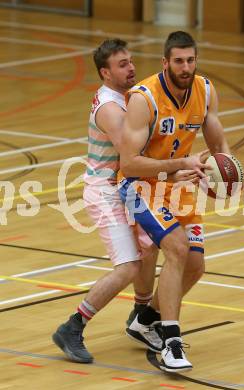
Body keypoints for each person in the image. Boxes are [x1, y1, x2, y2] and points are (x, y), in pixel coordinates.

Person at [119, 31, 231, 372]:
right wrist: (181, 163)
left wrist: (229, 170)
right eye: (179, 61)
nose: (186, 67)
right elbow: (128, 164)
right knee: (177, 248)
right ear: (165, 62)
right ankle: (171, 342)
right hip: (140, 186)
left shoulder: (205, 90)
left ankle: (145, 319)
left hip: (178, 186)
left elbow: (219, 142)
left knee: (195, 266)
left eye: (191, 60)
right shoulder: (144, 98)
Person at [52, 39, 162, 364]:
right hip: (106, 191)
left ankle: (140, 317)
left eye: (130, 61)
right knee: (127, 266)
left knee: (150, 247)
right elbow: (132, 155)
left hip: (126, 186)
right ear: (105, 72)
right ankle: (72, 327)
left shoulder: (130, 96)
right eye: (122, 64)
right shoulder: (110, 108)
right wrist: (176, 165)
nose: (131, 68)